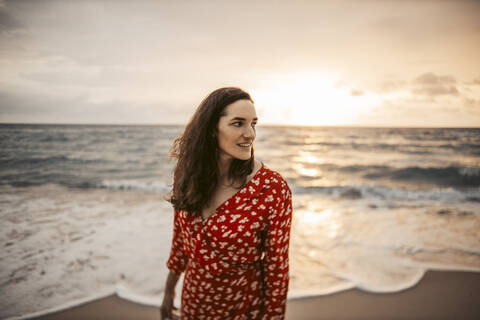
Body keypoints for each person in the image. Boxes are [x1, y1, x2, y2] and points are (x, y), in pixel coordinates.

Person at [160, 87, 293, 320]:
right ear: (212, 128)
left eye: (253, 124)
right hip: (193, 302)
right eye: (238, 123)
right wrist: (168, 291)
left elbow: (277, 269)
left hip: (243, 308)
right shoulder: (187, 173)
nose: (250, 134)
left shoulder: (272, 189)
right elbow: (180, 239)